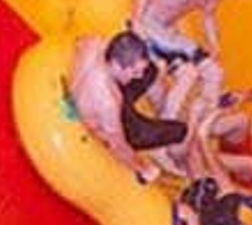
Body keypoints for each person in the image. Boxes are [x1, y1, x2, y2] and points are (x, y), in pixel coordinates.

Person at [129, 0, 252, 113]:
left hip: (166, 31)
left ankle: (205, 120)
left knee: (215, 72)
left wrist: (215, 46)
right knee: (189, 74)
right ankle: (169, 123)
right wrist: (137, 19)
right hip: (148, 22)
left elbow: (208, 17)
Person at [67, 31, 187, 181]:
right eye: (135, 72)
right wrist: (145, 169)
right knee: (180, 130)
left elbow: (80, 42)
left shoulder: (94, 45)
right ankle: (166, 135)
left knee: (151, 70)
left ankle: (164, 111)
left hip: (98, 87)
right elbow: (118, 146)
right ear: (116, 64)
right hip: (114, 124)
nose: (139, 76)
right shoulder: (108, 102)